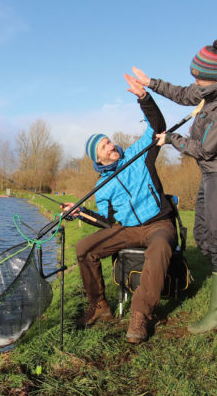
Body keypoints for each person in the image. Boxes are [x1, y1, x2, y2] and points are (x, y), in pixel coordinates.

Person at [130, 39, 217, 334]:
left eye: (199, 77)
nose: (195, 82)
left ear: (215, 78)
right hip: (211, 175)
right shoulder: (211, 89)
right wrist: (150, 83)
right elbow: (182, 94)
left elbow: (204, 149)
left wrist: (171, 139)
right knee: (203, 236)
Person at [61, 78, 175, 344]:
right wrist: (80, 213)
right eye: (104, 146)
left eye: (109, 141)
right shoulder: (102, 187)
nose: (111, 145)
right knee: (84, 248)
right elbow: (108, 223)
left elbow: (158, 127)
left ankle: (140, 314)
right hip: (127, 230)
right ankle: (99, 306)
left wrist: (144, 98)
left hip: (158, 224)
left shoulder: (138, 155)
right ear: (98, 159)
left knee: (160, 247)